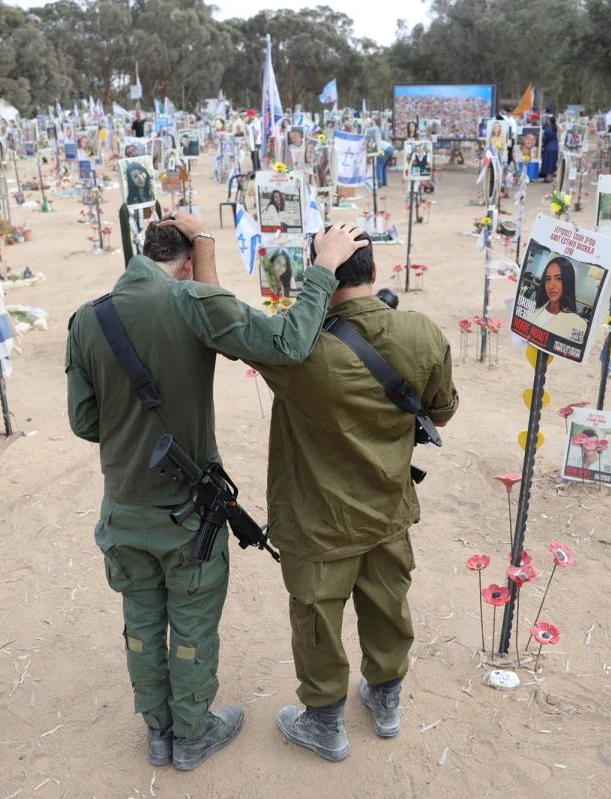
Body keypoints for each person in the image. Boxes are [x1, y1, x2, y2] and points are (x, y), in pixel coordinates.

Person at [67, 215, 365, 772]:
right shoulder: (191, 304)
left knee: (142, 622)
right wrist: (323, 267)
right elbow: (290, 341)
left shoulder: (89, 318)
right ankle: (193, 732)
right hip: (188, 515)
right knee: (192, 622)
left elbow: (85, 422)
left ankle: (159, 734)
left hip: (125, 507)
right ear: (185, 266)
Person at [248, 226, 459, 762]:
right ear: (372, 271)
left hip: (318, 520)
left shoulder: (296, 351)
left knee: (318, 619)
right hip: (387, 508)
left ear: (317, 271)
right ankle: (386, 703)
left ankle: (325, 723)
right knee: (389, 607)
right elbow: (441, 411)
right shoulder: (421, 333)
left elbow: (229, 329)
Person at [527, 257, 587, 339]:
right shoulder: (537, 309)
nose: (551, 286)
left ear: (568, 282)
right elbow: (518, 343)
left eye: (558, 278)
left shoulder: (578, 324)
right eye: (548, 279)